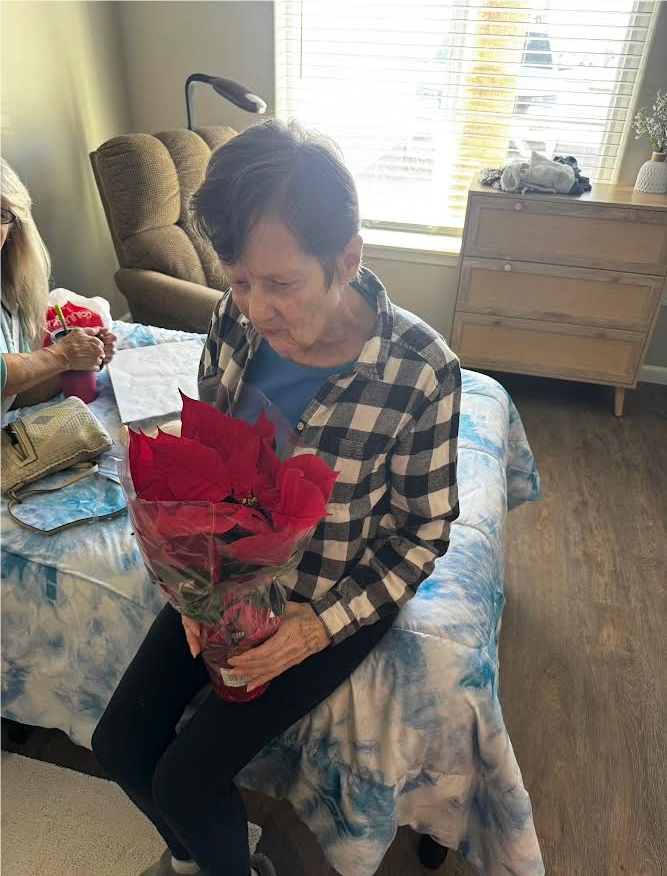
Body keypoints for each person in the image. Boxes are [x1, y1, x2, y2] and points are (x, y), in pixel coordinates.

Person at [92, 119, 461, 876]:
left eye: (282, 284)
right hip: (224, 578)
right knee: (119, 746)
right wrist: (193, 591)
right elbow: (209, 463)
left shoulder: (422, 373)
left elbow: (422, 535)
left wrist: (314, 631)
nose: (257, 309)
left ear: (347, 259)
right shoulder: (233, 319)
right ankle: (205, 863)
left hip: (328, 600)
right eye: (239, 281)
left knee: (184, 781)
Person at [0, 157, 116, 415]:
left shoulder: (8, 288)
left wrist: (81, 358)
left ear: (14, 228)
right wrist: (62, 354)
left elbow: (11, 397)